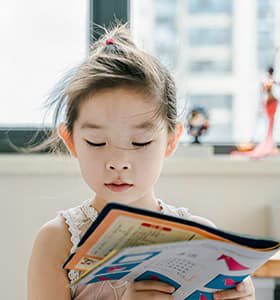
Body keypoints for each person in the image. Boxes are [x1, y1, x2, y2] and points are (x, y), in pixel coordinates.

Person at [27, 24, 255, 300]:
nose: (118, 162)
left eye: (140, 142)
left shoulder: (203, 240)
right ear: (71, 140)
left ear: (171, 140)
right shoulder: (58, 241)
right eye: (97, 142)